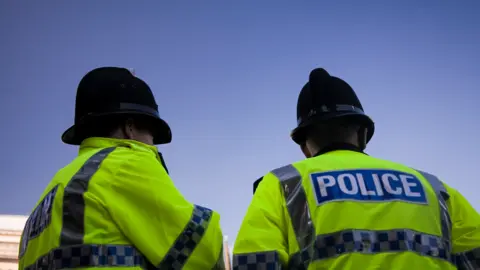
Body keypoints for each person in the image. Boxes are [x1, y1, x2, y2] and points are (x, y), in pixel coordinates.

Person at [233, 68, 480, 269]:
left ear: (305, 148)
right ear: (363, 134)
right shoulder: (435, 188)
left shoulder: (282, 184)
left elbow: (255, 263)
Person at [18, 67, 225, 270]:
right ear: (130, 127)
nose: (154, 145)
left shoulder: (54, 191)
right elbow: (201, 251)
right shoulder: (122, 163)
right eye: (152, 135)